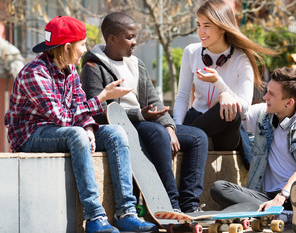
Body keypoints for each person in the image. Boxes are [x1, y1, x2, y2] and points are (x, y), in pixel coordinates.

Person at [4, 16, 157, 233]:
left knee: (116, 133)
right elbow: (62, 118)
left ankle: (126, 213)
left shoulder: (70, 71)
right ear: (67, 48)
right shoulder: (34, 73)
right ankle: (94, 217)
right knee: (75, 134)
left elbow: (78, 105)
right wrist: (102, 96)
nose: (85, 50)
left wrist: (88, 127)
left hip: (61, 129)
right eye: (82, 44)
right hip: (30, 134)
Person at [80, 12, 209, 213]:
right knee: (156, 134)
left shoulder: (136, 64)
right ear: (112, 38)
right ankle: (171, 206)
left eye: (135, 36)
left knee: (197, 137)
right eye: (129, 37)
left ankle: (190, 205)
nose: (135, 42)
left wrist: (169, 127)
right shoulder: (93, 66)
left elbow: (154, 100)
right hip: (121, 127)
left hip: (145, 122)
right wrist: (140, 115)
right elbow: (97, 110)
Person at [210, 67, 296, 233]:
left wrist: (283, 196)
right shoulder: (264, 113)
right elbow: (234, 109)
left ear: (288, 103)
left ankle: (285, 212)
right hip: (269, 197)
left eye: (271, 94)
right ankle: (285, 216)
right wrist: (222, 92)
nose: (265, 97)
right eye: (267, 91)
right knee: (219, 188)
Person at [173, 0, 277, 165]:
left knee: (230, 109)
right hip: (197, 119)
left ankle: (192, 138)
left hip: (225, 128)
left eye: (206, 26)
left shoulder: (242, 59)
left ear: (222, 27)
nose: (201, 31)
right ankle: (187, 137)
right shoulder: (191, 52)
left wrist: (220, 86)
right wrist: (176, 129)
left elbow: (243, 109)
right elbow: (183, 96)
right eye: (198, 25)